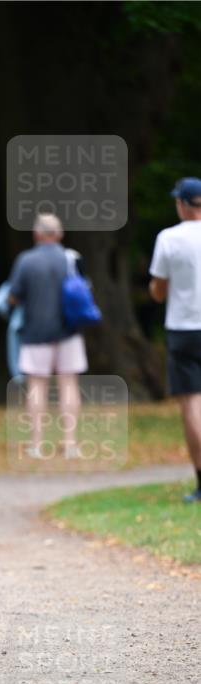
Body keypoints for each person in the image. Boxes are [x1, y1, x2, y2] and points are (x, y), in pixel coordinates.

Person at [8, 213, 89, 459]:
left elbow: (13, 296)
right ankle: (70, 443)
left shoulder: (26, 261)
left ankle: (37, 444)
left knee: (36, 387)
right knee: (68, 385)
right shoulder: (71, 258)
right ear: (60, 234)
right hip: (69, 332)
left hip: (35, 332)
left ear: (37, 234)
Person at [149, 177, 201, 502]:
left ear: (182, 204)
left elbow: (158, 289)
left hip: (183, 328)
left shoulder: (169, 238)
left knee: (193, 404)